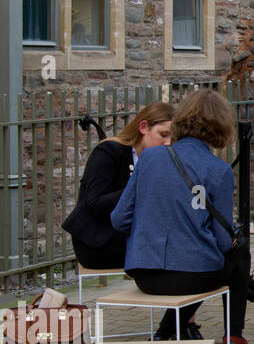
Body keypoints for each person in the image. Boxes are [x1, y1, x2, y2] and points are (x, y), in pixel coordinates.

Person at [111, 90, 254, 344]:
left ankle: (163, 335)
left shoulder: (150, 159)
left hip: (145, 274)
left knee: (200, 265)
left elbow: (119, 220)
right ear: (221, 126)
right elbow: (221, 240)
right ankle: (235, 335)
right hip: (194, 275)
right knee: (236, 254)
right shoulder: (218, 171)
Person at [62, 102, 174, 271]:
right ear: (143, 127)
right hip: (99, 240)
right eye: (163, 134)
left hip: (133, 236)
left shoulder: (160, 160)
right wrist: (139, 188)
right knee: (176, 251)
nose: (168, 143)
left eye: (173, 138)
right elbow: (95, 203)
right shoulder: (109, 151)